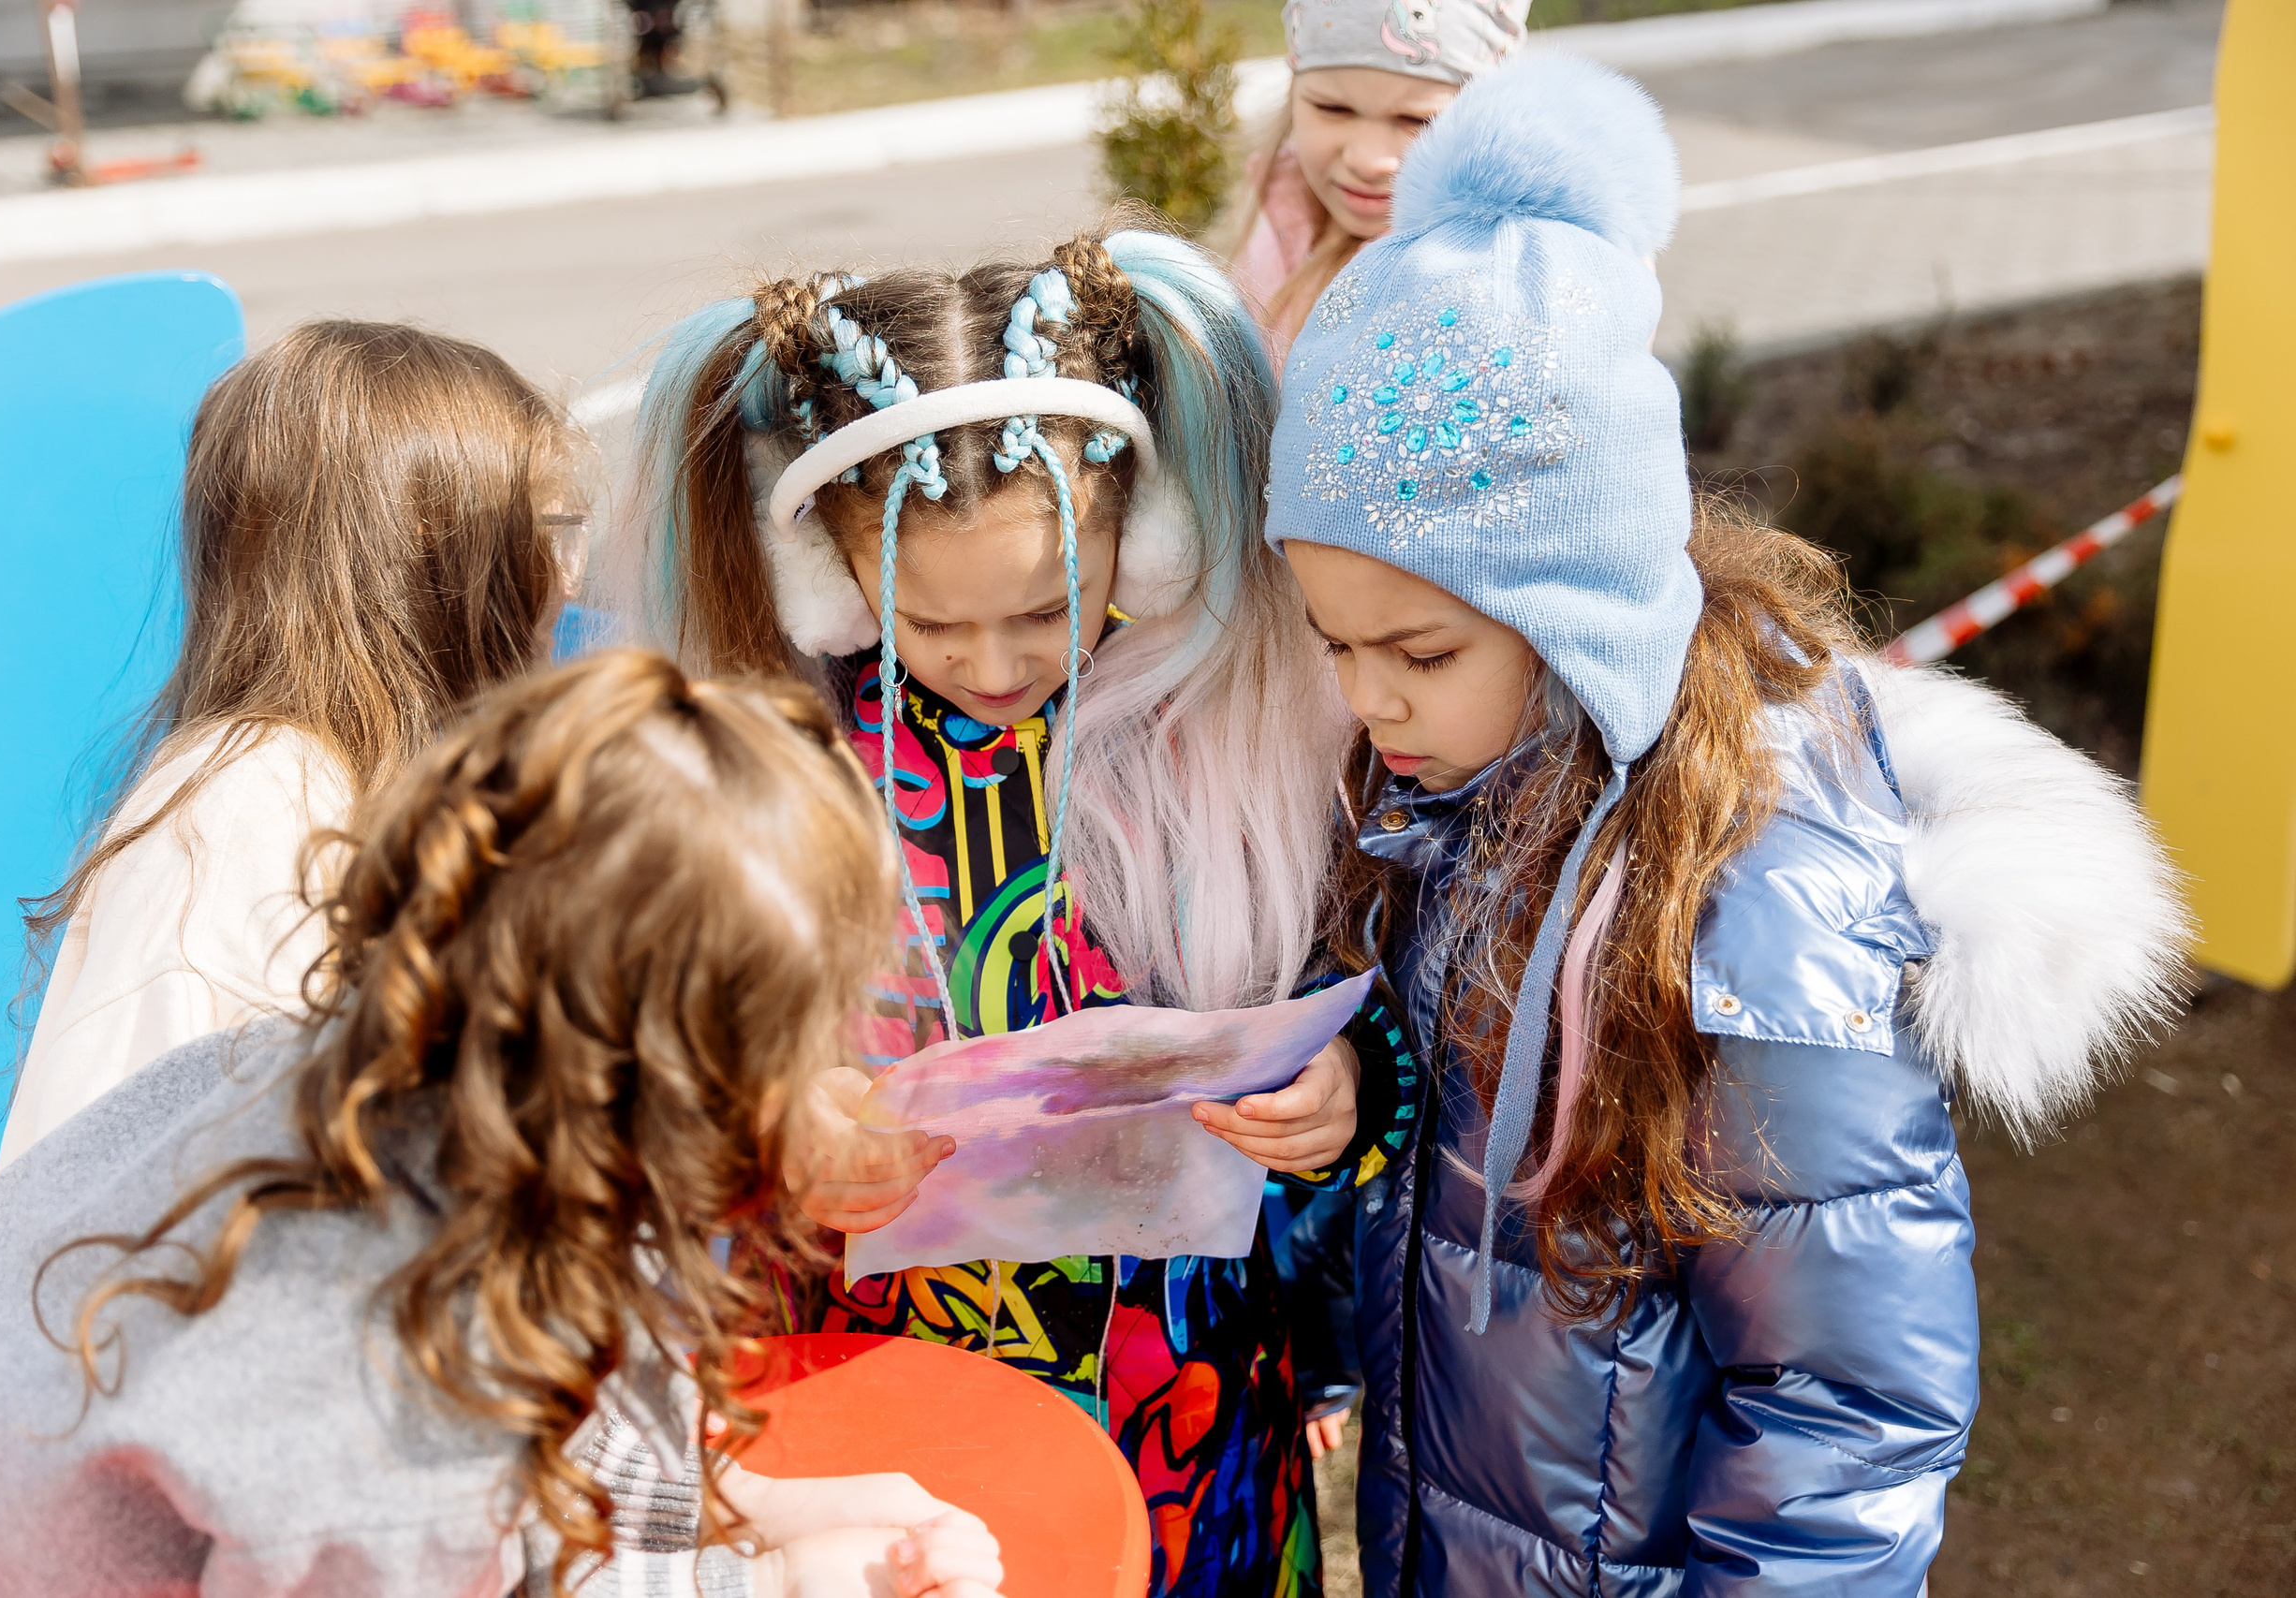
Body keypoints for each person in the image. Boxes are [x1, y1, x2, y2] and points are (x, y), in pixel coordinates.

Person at [1265, 55, 2193, 1594]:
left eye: (1420, 653)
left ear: (1577, 609)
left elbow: (1850, 1401)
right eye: (1331, 641)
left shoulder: (1750, 903)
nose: (1370, 702)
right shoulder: (1469, 799)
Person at [634, 227, 1419, 1595]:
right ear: (825, 576)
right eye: (931, 626)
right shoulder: (777, 769)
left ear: (1154, 537)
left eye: (1049, 607)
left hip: (1194, 1417)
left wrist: (1353, 1094)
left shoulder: (1218, 739)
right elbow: (655, 1082)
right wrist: (778, 1128)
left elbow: (1361, 988)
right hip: (882, 1433)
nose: (993, 665)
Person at [0, 652, 1008, 1598]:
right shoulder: (390, 1410)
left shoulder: (315, 1075)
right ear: (693, 1086)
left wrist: (736, 1514)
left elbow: (541, 1436)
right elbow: (428, 1492)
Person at [1, 321, 590, 1168]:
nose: (569, 578)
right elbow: (106, 1209)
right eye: (551, 528)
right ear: (431, 546)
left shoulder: (355, 788)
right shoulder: (251, 808)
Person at [1225, 0, 1531, 359]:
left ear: (1484, 119)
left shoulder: (1472, 290)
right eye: (1333, 109)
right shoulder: (1280, 222)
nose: (1368, 161)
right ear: (1294, 95)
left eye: (1419, 120)